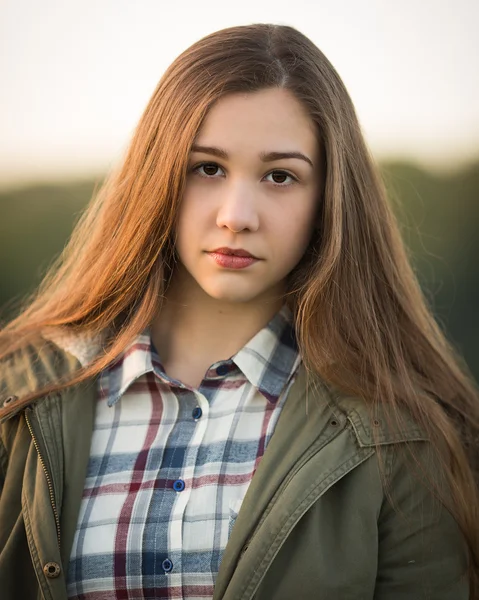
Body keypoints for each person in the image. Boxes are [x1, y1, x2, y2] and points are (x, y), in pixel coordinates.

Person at [0, 23, 477, 600]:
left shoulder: (397, 434)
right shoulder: (20, 396)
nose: (237, 215)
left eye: (281, 176)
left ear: (329, 200)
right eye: (208, 168)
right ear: (158, 176)